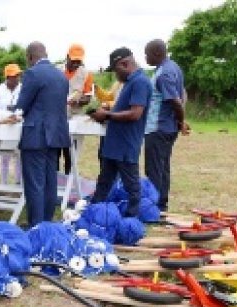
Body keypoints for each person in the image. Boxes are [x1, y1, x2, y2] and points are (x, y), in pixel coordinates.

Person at [89, 47, 153, 218]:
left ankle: (132, 220)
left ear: (125, 64)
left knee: (131, 186)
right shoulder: (129, 83)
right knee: (103, 182)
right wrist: (103, 116)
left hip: (126, 144)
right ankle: (93, 213)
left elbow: (135, 113)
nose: (115, 76)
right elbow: (122, 109)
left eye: (116, 70)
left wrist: (108, 114)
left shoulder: (140, 82)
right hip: (114, 144)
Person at [13, 41, 70, 227]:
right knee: (49, 181)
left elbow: (22, 106)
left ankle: (36, 226)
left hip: (36, 134)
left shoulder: (33, 73)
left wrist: (12, 108)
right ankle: (47, 223)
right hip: (55, 135)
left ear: (29, 57)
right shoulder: (61, 76)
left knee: (35, 184)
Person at [144, 39, 189, 212]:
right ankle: (161, 206)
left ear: (156, 53)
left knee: (154, 170)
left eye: (147, 54)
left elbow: (175, 101)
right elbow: (183, 93)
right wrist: (179, 120)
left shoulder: (164, 73)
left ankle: (155, 208)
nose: (146, 58)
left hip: (158, 128)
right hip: (167, 127)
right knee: (163, 168)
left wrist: (181, 120)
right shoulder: (174, 67)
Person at [0, 63, 23, 183]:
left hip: (18, 126)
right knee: (4, 156)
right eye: (14, 76)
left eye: (18, 75)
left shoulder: (23, 88)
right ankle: (4, 182)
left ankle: (18, 183)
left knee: (19, 156)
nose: (17, 78)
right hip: (3, 127)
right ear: (8, 77)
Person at [61, 43, 94, 174]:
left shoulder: (86, 74)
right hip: (57, 117)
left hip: (74, 118)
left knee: (71, 153)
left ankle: (69, 181)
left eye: (79, 61)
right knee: (55, 152)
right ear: (67, 57)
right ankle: (55, 183)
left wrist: (79, 101)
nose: (76, 64)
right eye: (73, 61)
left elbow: (88, 97)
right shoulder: (57, 71)